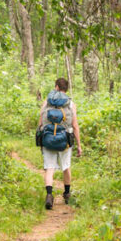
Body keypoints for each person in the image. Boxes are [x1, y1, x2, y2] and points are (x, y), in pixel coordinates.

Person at [37, 77, 82, 209]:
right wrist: (79, 145)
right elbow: (75, 126)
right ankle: (67, 194)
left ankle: (49, 196)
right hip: (65, 140)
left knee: (49, 168)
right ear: (66, 89)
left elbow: (40, 123)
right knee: (66, 167)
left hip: (48, 139)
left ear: (56, 87)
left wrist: (40, 139)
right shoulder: (71, 104)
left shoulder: (46, 102)